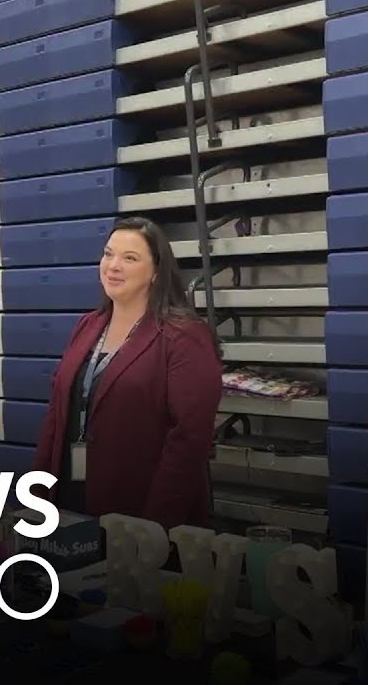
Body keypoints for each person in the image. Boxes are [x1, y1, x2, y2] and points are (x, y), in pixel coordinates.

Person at [31, 217, 223, 531]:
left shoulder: (184, 337)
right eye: (108, 254)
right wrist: (37, 499)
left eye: (129, 258)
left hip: (138, 513)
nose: (113, 266)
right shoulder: (88, 326)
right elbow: (56, 416)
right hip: (68, 497)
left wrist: (155, 526)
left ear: (157, 272)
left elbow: (189, 440)